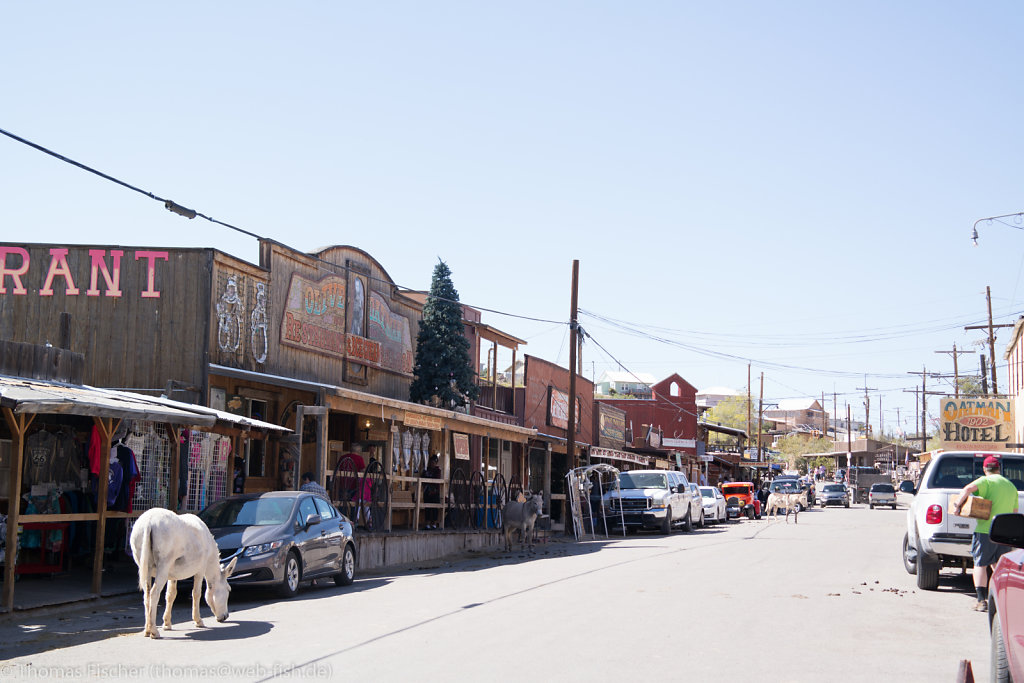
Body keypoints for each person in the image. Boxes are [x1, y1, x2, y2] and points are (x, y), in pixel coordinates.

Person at [952, 455, 1020, 612]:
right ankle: (1002, 600)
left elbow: (967, 489)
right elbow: (1014, 512)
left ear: (984, 469)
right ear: (999, 469)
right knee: (998, 566)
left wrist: (957, 505)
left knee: (980, 563)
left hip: (985, 531)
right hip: (1004, 535)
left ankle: (981, 600)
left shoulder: (986, 481)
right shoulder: (1011, 486)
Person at [423, 454, 442, 530]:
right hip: (427, 491)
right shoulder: (426, 470)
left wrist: (429, 479)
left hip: (435, 492)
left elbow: (436, 479)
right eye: (431, 462)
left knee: (434, 508)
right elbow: (422, 477)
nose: (432, 464)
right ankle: (427, 523)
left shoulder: (438, 470)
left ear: (436, 463)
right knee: (427, 508)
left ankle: (433, 523)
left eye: (433, 462)